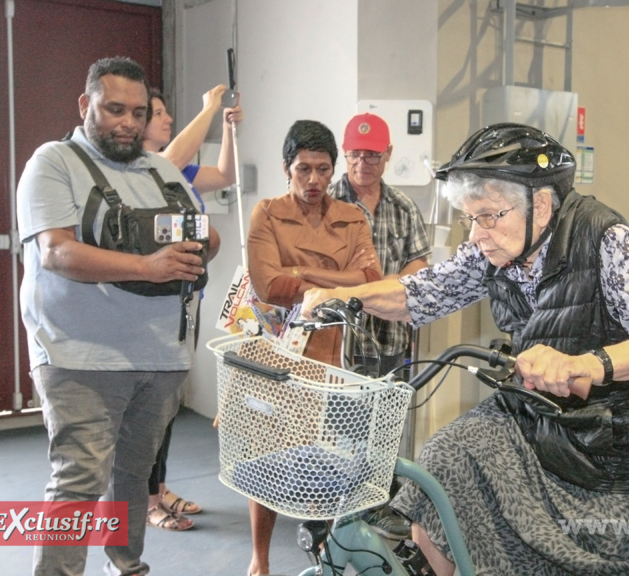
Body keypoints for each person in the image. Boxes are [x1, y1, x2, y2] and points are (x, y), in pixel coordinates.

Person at [302, 123, 629, 575]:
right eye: (470, 218)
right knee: (441, 468)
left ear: (543, 204)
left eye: (490, 215)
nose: (476, 234)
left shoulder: (604, 239)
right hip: (542, 415)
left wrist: (586, 364)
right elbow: (423, 292)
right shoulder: (494, 247)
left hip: (625, 440)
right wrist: (349, 297)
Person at [16, 56, 220, 576]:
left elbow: (206, 237)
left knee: (131, 479)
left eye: (137, 111)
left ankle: (125, 567)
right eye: (114, 109)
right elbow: (57, 253)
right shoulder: (53, 162)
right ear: (86, 105)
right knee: (79, 480)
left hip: (160, 357)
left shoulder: (162, 170)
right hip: (77, 353)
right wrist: (149, 266)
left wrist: (198, 245)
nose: (127, 122)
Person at [244, 119, 383, 575]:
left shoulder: (351, 216)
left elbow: (371, 283)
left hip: (333, 354)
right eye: (303, 169)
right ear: (287, 168)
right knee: (267, 456)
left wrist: (304, 276)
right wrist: (337, 279)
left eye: (323, 169)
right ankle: (259, 559)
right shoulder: (265, 213)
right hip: (275, 350)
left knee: (327, 462)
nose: (313, 181)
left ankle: (324, 557)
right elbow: (268, 285)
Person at [141, 86, 243, 532]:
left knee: (168, 402)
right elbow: (171, 157)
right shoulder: (143, 170)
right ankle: (145, 499)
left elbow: (226, 175)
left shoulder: (177, 171)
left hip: (185, 300)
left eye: (168, 113)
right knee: (150, 405)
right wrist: (207, 108)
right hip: (152, 305)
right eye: (159, 114)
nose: (167, 120)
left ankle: (158, 488)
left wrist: (227, 127)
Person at [330, 113, 431, 376]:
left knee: (386, 415)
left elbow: (419, 261)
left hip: (390, 341)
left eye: (372, 154)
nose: (362, 163)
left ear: (388, 153)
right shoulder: (326, 204)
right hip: (337, 342)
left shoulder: (404, 207)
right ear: (344, 152)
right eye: (355, 154)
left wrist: (392, 285)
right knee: (338, 416)